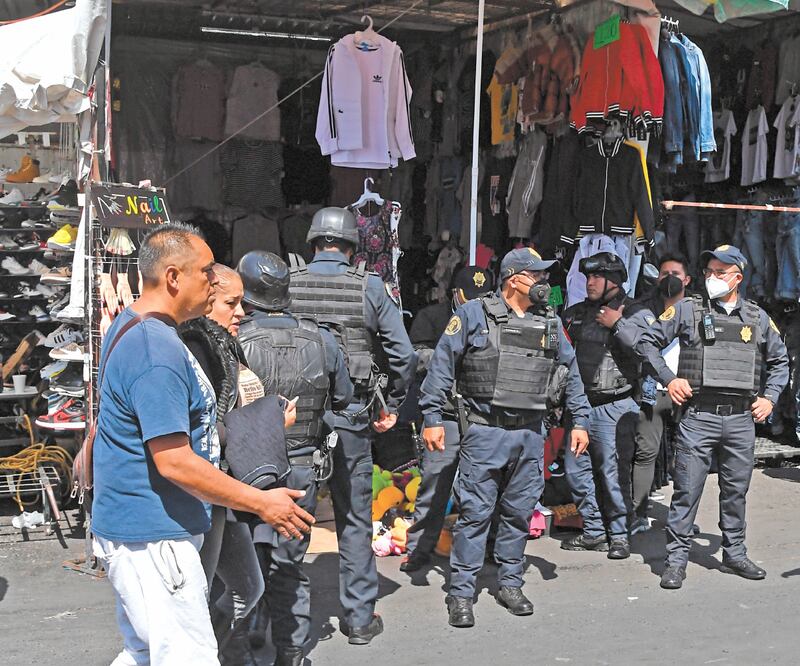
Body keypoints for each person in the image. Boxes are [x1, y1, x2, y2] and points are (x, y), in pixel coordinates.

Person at [91, 223, 314, 666]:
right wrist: (261, 502)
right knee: (186, 658)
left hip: (147, 531)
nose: (214, 281)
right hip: (155, 536)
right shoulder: (156, 350)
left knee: (145, 654)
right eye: (207, 272)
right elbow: (174, 462)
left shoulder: (139, 328)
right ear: (174, 277)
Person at [421, 248, 591, 628]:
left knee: (517, 513)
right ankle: (462, 593)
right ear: (514, 279)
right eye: (539, 277)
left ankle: (510, 583)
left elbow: (571, 370)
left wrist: (580, 420)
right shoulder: (473, 314)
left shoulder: (548, 320)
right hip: (485, 430)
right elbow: (441, 366)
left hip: (531, 433)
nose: (546, 285)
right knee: (475, 515)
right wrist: (432, 417)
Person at [287, 207, 415, 645]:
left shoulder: (290, 282)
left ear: (313, 241)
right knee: (356, 519)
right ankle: (359, 620)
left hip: (296, 423)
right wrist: (391, 404)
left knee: (292, 518)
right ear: (351, 246)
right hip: (352, 418)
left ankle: (291, 624)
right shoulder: (370, 287)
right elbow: (404, 355)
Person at [636, 245, 789, 590]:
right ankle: (675, 561)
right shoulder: (688, 311)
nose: (712, 278)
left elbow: (781, 363)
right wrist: (669, 378)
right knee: (686, 491)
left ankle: (734, 553)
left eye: (720, 273)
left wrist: (770, 398)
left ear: (738, 277)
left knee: (735, 491)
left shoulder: (757, 317)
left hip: (740, 419)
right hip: (698, 416)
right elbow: (646, 342)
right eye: (708, 272)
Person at [236, 250, 354, 666]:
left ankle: (248, 639)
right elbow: (344, 399)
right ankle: (290, 652)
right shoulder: (322, 338)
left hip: (244, 471)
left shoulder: (233, 339)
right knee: (287, 564)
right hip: (301, 467)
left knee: (240, 561)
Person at [179, 263, 279, 665]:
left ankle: (210, 650)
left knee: (247, 587)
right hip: (206, 488)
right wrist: (266, 419)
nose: (241, 312)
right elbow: (203, 430)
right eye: (231, 303)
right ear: (206, 302)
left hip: (228, 486)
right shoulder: (195, 346)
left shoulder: (224, 344)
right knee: (197, 594)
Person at [401, 266, 495, 573]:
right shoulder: (432, 317)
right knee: (434, 484)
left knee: (486, 488)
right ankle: (419, 550)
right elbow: (414, 357)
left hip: (483, 414)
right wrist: (449, 354)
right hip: (445, 413)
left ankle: (487, 548)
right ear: (455, 293)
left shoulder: (495, 318)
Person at [561, 252, 643, 559]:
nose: (589, 283)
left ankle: (620, 534)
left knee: (613, 473)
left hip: (616, 406)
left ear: (615, 279)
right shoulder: (575, 313)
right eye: (587, 277)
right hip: (581, 408)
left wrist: (618, 323)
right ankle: (594, 531)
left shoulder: (634, 310)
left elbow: (648, 346)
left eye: (596, 277)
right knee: (576, 472)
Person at [612, 253, 691, 535]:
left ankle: (683, 521)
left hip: (688, 392)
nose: (669, 278)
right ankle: (639, 514)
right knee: (645, 452)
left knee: (687, 457)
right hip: (652, 390)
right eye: (664, 273)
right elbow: (635, 343)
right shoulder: (642, 308)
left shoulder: (697, 311)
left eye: (676, 274)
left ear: (687, 280)